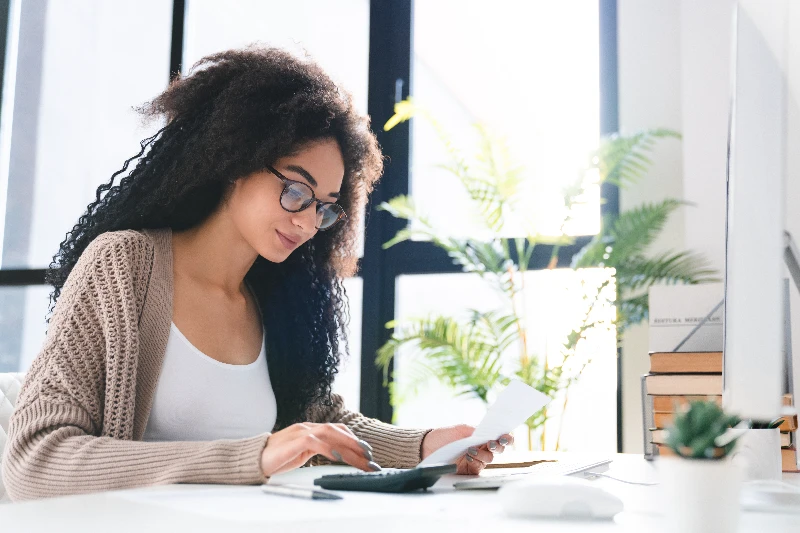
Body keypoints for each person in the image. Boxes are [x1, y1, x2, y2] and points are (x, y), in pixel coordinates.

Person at [2, 47, 513, 501]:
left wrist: (426, 445)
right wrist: (253, 457)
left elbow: (320, 423)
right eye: (296, 190)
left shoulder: (272, 296)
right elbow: (35, 460)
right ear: (235, 162)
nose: (309, 221)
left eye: (325, 208)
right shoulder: (124, 265)